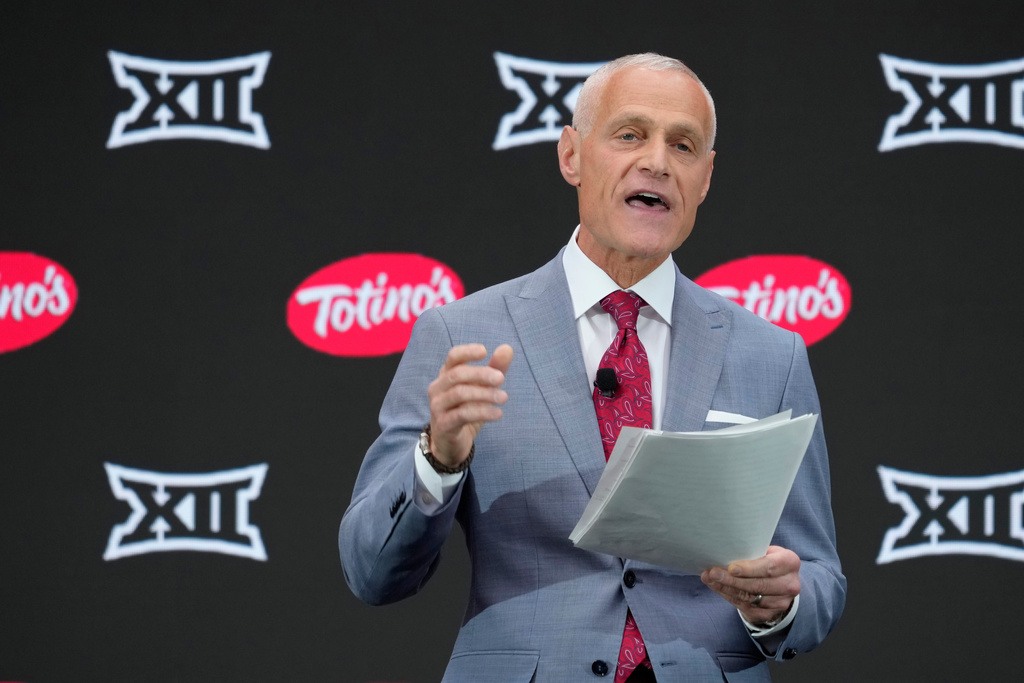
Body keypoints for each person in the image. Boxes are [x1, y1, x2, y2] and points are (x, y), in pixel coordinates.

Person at [339, 53, 845, 682]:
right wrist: (437, 459)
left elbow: (820, 579)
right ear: (571, 156)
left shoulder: (770, 354)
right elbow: (371, 571)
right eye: (630, 134)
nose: (658, 161)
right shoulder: (461, 335)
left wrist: (781, 601)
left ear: (705, 177)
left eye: (682, 145)